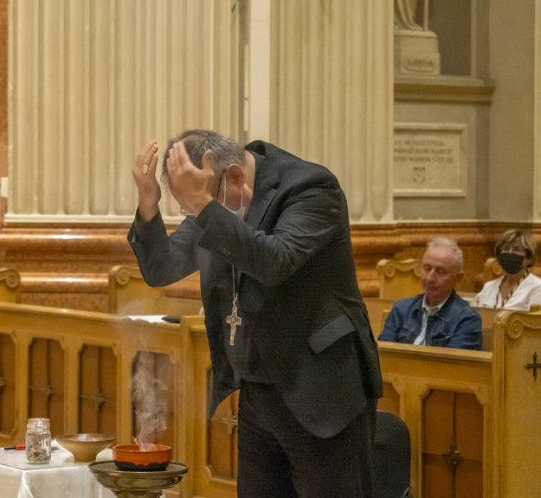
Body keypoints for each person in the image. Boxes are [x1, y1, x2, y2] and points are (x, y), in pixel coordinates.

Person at [128, 130, 382, 497]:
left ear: (234, 177)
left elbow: (275, 261)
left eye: (194, 205)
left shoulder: (311, 188)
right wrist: (148, 205)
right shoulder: (214, 204)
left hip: (322, 391)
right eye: (186, 208)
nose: (192, 215)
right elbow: (161, 269)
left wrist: (204, 206)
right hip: (258, 392)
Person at [379, 237, 482, 350]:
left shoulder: (467, 320)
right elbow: (383, 355)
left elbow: (451, 365)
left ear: (458, 278)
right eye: (427, 269)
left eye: (440, 271)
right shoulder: (401, 310)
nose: (429, 278)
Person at [473, 229, 541, 311]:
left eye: (517, 249)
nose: (510, 253)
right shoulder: (489, 287)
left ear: (528, 258)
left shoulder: (537, 287)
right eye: (506, 248)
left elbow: (533, 321)